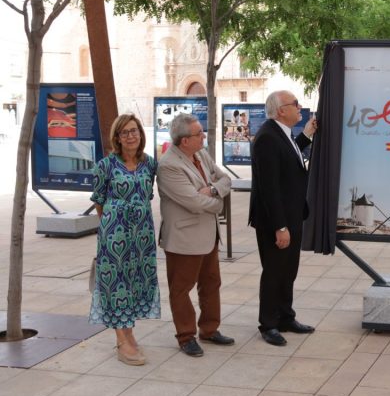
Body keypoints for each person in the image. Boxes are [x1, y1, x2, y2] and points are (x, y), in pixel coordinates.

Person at [157, 113, 234, 357]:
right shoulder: (169, 165)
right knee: (181, 289)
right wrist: (218, 202)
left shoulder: (200, 153)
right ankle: (186, 336)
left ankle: (209, 329)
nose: (203, 136)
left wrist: (211, 189)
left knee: (211, 283)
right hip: (184, 240)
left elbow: (225, 179)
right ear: (184, 141)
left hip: (208, 235)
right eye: (198, 133)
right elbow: (194, 202)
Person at [89, 113, 160, 366]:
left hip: (142, 235)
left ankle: (129, 333)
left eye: (135, 131)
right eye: (125, 132)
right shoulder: (105, 166)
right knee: (116, 282)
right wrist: (114, 221)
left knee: (135, 281)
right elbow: (99, 202)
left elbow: (147, 194)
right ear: (117, 137)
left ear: (141, 134)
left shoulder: (149, 164)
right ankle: (122, 339)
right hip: (115, 233)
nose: (131, 136)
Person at [248, 90, 317, 346]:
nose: (300, 108)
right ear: (280, 111)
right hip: (276, 221)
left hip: (292, 215)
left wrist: (307, 134)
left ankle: (286, 317)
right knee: (274, 271)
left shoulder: (280, 134)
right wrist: (280, 227)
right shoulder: (267, 137)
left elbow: (289, 156)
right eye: (295, 104)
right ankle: (268, 324)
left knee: (289, 270)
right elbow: (269, 188)